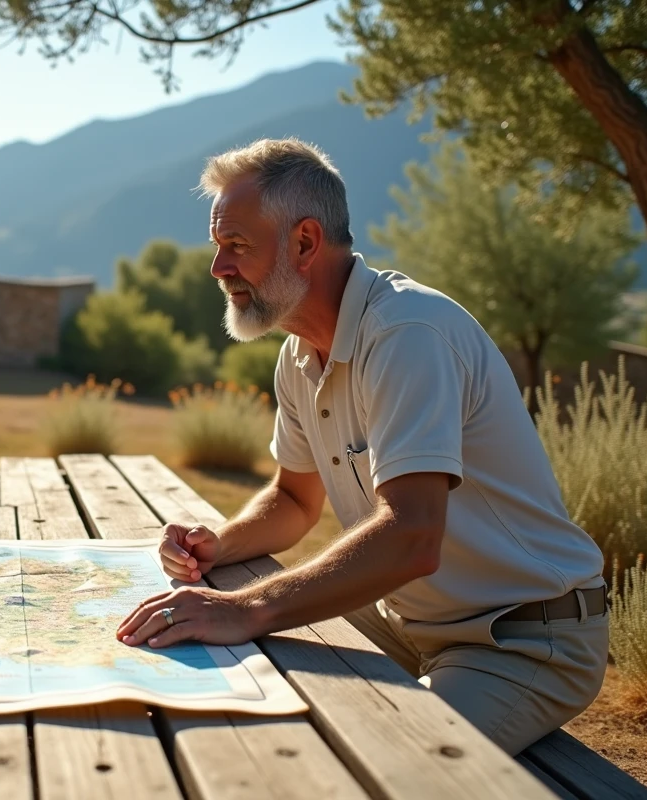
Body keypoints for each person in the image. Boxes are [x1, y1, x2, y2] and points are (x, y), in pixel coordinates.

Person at [116, 137, 609, 755]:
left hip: (520, 641)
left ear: (304, 243)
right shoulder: (299, 354)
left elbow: (411, 536)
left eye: (236, 245)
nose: (218, 267)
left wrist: (246, 607)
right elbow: (295, 500)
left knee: (381, 764)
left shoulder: (407, 334)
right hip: (409, 622)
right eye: (218, 245)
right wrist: (221, 542)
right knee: (245, 685)